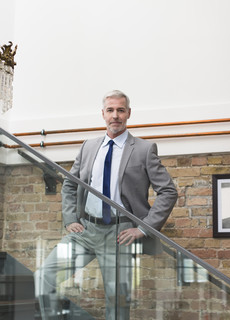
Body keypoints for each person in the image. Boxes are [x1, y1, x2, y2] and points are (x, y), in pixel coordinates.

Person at [35, 90, 178, 319]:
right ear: (103, 114)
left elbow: (168, 191)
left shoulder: (143, 149)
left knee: (117, 301)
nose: (115, 116)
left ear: (128, 113)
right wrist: (71, 219)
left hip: (119, 235)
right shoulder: (88, 147)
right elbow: (70, 185)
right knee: (44, 277)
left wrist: (143, 228)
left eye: (120, 110)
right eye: (110, 110)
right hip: (86, 231)